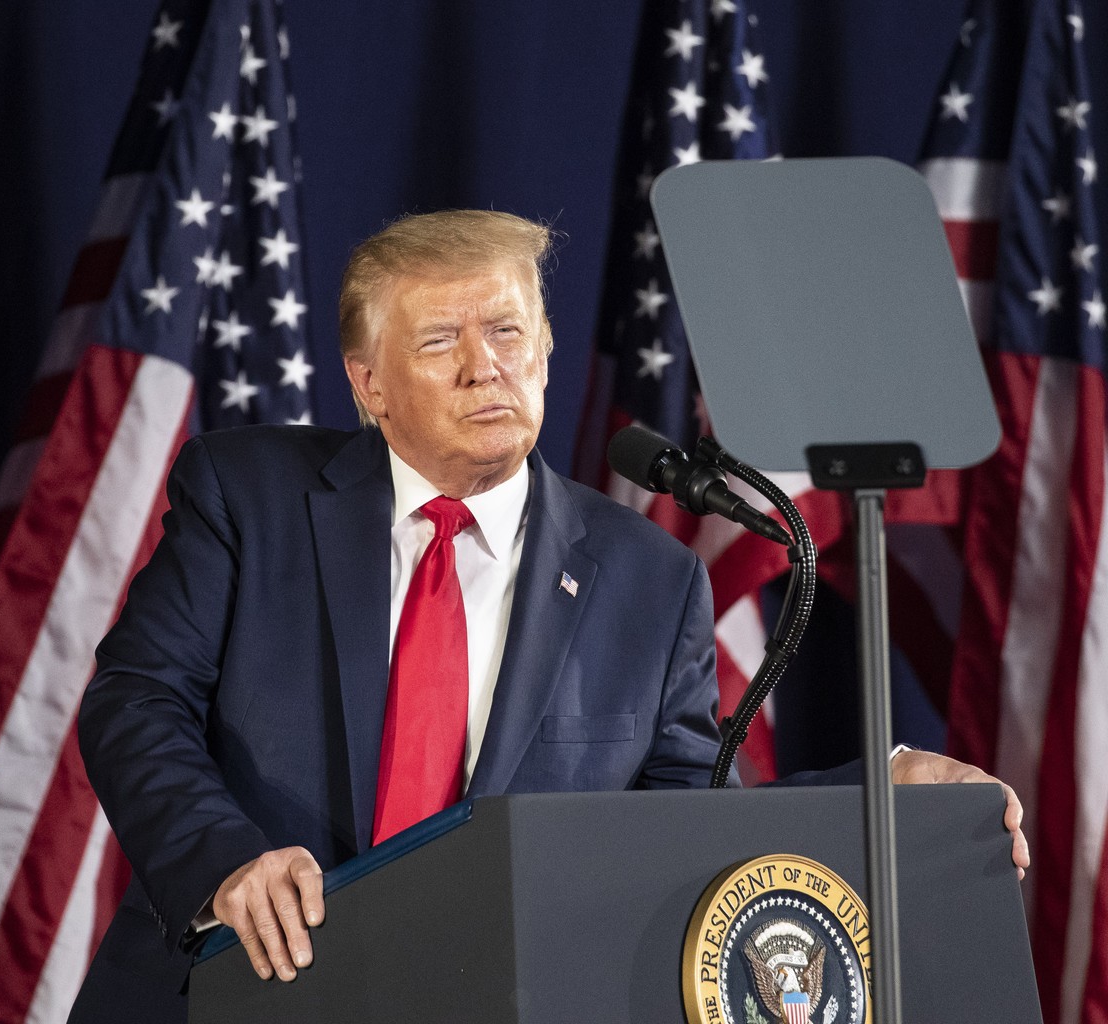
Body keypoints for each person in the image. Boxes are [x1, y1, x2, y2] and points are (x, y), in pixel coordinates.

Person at [72, 210, 1027, 1022]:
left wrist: (885, 786)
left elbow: (689, 826)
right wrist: (225, 863)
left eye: (508, 332)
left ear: (546, 350)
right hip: (243, 988)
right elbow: (135, 700)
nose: (485, 368)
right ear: (369, 386)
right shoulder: (248, 495)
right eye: (441, 342)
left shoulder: (648, 580)